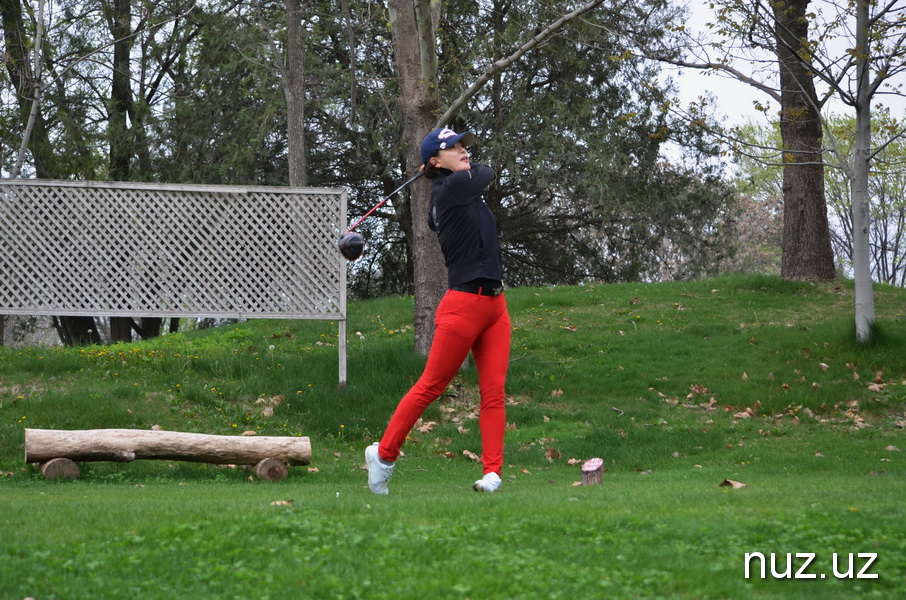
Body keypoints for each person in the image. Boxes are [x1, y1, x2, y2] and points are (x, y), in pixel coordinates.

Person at [365, 127, 511, 494]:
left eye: (464, 145)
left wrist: (445, 162)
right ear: (434, 161)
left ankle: (492, 473)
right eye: (454, 147)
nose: (464, 152)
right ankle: (383, 456)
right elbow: (488, 170)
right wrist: (456, 169)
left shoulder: (458, 194)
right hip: (463, 306)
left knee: (493, 392)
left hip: (496, 306)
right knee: (431, 386)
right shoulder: (453, 189)